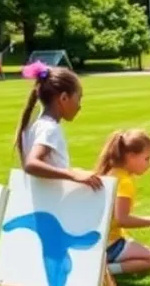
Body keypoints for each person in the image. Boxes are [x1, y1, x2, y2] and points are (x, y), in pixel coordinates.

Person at [93, 130, 150, 276]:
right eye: (147, 159)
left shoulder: (110, 172)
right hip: (108, 243)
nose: (149, 165)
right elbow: (122, 219)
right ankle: (105, 273)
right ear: (131, 156)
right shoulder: (124, 182)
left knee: (141, 252)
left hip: (98, 239)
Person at [16, 62, 100, 190]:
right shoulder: (50, 128)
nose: (79, 106)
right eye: (78, 98)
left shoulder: (34, 125)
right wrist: (71, 175)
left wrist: (72, 170)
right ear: (64, 98)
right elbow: (32, 164)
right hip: (52, 205)